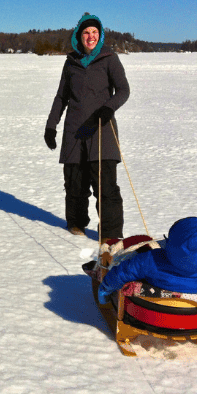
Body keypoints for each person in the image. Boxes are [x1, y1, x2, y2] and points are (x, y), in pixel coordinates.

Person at [45, 14, 130, 243]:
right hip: (74, 131)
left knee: (105, 186)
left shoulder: (109, 58)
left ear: (99, 35)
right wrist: (51, 126)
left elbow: (123, 90)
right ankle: (76, 223)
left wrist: (108, 108)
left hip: (101, 129)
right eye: (86, 32)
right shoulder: (71, 62)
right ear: (78, 36)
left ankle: (111, 235)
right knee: (74, 182)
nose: (90, 36)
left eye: (94, 32)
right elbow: (61, 96)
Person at [97, 217, 197, 346]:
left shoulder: (152, 259)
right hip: (196, 324)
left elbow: (124, 271)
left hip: (148, 318)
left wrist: (106, 287)